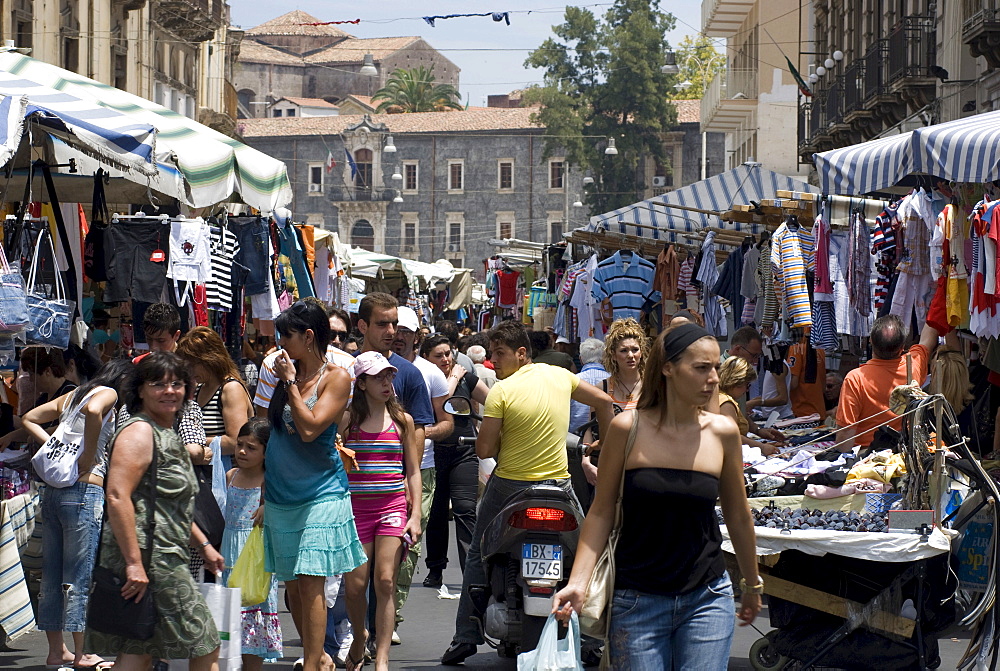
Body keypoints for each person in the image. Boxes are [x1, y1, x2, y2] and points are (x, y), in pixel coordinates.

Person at [552, 323, 762, 667]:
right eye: (701, 368)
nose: (713, 378)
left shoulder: (723, 432)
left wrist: (752, 583)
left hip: (707, 597)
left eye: (714, 367)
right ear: (668, 368)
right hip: (636, 600)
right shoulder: (627, 428)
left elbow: (738, 515)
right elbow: (602, 511)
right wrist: (578, 582)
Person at [441, 321, 615, 665]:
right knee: (587, 553)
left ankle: (466, 635)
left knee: (478, 551)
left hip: (509, 486)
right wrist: (606, 448)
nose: (494, 361)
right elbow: (606, 402)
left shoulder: (502, 393)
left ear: (522, 353)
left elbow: (484, 448)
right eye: (492, 354)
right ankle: (593, 639)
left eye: (500, 354)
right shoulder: (560, 376)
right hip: (558, 486)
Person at [85, 352, 224, 670]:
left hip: (163, 554)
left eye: (176, 383)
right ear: (141, 390)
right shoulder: (139, 432)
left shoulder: (166, 433)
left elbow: (167, 503)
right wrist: (134, 564)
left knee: (140, 650)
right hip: (151, 559)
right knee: (204, 641)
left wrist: (203, 546)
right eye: (158, 384)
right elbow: (118, 496)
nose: (170, 390)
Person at [263, 301, 365, 671]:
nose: (279, 345)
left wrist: (289, 381)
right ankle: (319, 657)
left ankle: (311, 664)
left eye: (284, 337)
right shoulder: (284, 376)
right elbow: (274, 430)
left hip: (320, 494)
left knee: (311, 585)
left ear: (307, 337)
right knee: (292, 587)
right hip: (279, 495)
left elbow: (309, 429)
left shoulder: (336, 377)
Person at [22, 359, 132, 671]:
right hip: (84, 491)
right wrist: (88, 453)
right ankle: (85, 652)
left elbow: (29, 418)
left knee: (53, 574)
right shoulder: (107, 393)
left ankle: (57, 652)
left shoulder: (73, 395)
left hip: (54, 492)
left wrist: (56, 446)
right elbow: (94, 412)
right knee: (79, 575)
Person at [342, 352, 422, 671]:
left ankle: (383, 658)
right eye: (378, 377)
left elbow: (413, 471)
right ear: (361, 383)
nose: (387, 382)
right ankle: (360, 638)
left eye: (389, 376)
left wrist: (414, 516)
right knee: (355, 586)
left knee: (386, 581)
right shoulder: (348, 419)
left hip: (391, 508)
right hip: (355, 511)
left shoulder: (403, 421)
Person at [389, 306, 453, 641]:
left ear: (417, 336)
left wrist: (417, 434)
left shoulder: (429, 373)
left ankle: (392, 615)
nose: (397, 335)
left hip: (420, 472)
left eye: (404, 331)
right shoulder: (370, 365)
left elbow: (446, 422)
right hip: (376, 471)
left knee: (408, 546)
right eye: (391, 327)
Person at [420, 334, 491, 588]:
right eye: (438, 356)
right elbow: (434, 407)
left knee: (465, 511)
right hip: (434, 453)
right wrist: (451, 379)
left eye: (448, 354)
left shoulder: (467, 379)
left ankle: (471, 572)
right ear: (426, 358)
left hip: (464, 453)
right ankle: (435, 569)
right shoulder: (425, 379)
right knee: (436, 514)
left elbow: (494, 403)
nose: (446, 359)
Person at [221, 418, 282, 670]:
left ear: (267, 453)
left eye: (252, 447)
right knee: (230, 630)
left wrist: (269, 507)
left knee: (253, 629)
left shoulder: (271, 483)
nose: (242, 451)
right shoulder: (231, 475)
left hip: (256, 563)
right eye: (240, 445)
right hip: (229, 559)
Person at [836, 315, 941, 452]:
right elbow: (929, 338)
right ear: (903, 347)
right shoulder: (914, 365)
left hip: (866, 457)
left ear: (871, 341)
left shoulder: (855, 378)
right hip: (905, 453)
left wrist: (840, 462)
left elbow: (846, 433)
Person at [177, 326, 254, 469]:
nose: (188, 371)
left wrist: (192, 443)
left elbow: (235, 442)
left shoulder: (230, 389)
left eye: (192, 365)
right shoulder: (200, 388)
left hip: (225, 477)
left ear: (209, 359)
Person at [720, 326, 785, 442]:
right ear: (738, 349)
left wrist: (759, 430)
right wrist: (760, 446)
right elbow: (729, 434)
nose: (755, 361)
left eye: (758, 356)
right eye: (753, 355)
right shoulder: (718, 371)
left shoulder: (741, 370)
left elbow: (741, 412)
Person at [718, 357, 779, 456]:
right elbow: (732, 437)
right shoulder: (726, 404)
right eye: (747, 385)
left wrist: (758, 430)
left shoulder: (722, 398)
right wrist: (762, 447)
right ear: (737, 382)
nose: (746, 390)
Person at [570, 338, 610, 433]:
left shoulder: (572, 380)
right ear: (604, 359)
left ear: (581, 359)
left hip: (575, 437)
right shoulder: (614, 381)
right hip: (604, 436)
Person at [787, 342, 827, 418]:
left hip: (802, 412)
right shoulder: (820, 349)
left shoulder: (796, 349)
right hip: (818, 411)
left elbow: (793, 384)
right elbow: (823, 387)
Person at [750, 354, 793, 419]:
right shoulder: (770, 363)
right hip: (770, 417)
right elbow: (772, 393)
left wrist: (757, 402)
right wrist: (755, 401)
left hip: (781, 417)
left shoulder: (778, 365)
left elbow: (783, 399)